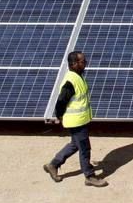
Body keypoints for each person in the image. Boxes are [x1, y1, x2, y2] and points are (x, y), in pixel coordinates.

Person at [43, 51, 108, 187]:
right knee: (84, 148)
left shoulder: (78, 76)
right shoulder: (70, 81)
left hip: (80, 119)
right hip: (76, 121)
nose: (86, 63)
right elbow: (61, 101)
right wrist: (59, 116)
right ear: (74, 64)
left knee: (75, 145)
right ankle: (89, 176)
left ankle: (53, 164)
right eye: (82, 61)